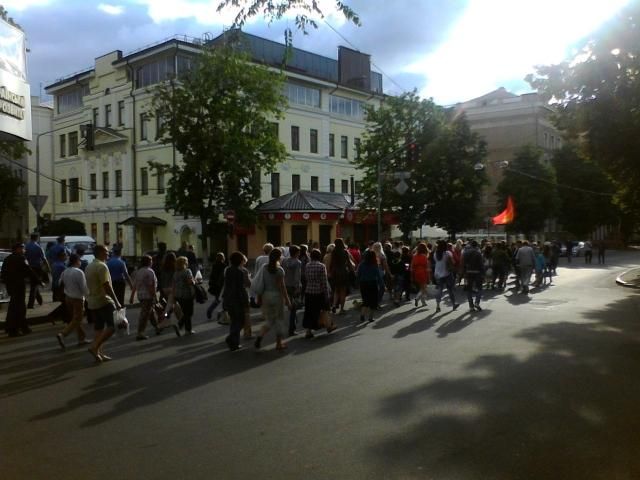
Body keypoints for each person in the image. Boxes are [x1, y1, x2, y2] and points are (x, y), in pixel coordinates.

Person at [86, 245, 123, 362]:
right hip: (104, 300)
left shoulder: (89, 266)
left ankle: (99, 354)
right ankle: (94, 347)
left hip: (92, 301)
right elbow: (106, 286)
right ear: (101, 253)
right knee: (112, 327)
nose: (108, 254)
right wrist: (117, 302)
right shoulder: (102, 266)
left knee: (99, 329)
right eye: (107, 252)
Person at [1, 243, 42, 337]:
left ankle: (21, 328)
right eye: (23, 249)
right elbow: (29, 270)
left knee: (14, 307)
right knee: (19, 308)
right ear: (18, 249)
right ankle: (14, 330)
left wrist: (8, 283)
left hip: (11, 287)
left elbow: (3, 274)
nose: (24, 251)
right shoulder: (21, 258)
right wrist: (39, 281)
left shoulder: (7, 259)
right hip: (19, 286)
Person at [254, 248, 291, 351]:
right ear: (279, 257)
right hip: (277, 296)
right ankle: (279, 343)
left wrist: (259, 297)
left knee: (270, 319)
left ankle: (260, 336)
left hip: (266, 296)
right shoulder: (279, 270)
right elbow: (282, 287)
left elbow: (261, 284)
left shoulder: (264, 268)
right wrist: (288, 301)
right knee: (279, 319)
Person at [55, 253, 90, 349]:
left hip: (68, 298)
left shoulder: (65, 271)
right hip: (77, 298)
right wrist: (88, 297)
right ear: (77, 261)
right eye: (79, 261)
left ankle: (81, 339)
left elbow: (59, 283)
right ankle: (62, 334)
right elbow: (84, 287)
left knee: (76, 319)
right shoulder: (79, 272)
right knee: (77, 319)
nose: (80, 263)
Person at [302, 248, 335, 338]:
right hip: (319, 291)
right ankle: (329, 326)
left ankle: (308, 331)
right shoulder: (321, 266)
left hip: (309, 291)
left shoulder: (307, 265)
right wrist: (327, 293)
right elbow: (324, 281)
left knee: (309, 311)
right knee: (325, 309)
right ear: (319, 256)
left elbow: (306, 277)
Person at [222, 252, 251, 351]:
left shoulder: (228, 270)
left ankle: (234, 343)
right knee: (241, 321)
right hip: (237, 299)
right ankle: (231, 339)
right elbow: (240, 288)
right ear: (240, 260)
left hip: (228, 298)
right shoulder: (240, 272)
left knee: (234, 321)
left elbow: (226, 286)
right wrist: (245, 301)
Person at [130, 255, 158, 340]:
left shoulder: (139, 272)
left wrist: (132, 296)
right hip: (147, 296)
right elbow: (150, 286)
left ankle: (157, 327)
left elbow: (135, 285)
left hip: (141, 295)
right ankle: (140, 332)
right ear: (149, 262)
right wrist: (154, 296)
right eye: (151, 260)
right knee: (145, 314)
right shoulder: (149, 272)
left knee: (150, 312)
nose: (152, 262)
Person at [356, 249, 384, 323]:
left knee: (365, 300)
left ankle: (362, 314)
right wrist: (382, 285)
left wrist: (358, 283)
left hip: (363, 284)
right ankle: (370, 317)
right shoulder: (374, 265)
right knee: (373, 301)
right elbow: (378, 276)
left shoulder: (361, 264)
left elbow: (358, 274)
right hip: (372, 283)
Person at [328, 238, 354, 315]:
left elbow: (331, 263)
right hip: (343, 272)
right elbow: (349, 263)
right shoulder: (345, 251)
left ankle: (333, 305)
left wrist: (330, 271)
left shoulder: (334, 252)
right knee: (343, 291)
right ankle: (341, 309)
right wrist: (353, 271)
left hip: (335, 272)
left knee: (336, 290)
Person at [433, 240, 459, 313]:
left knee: (439, 290)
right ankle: (454, 304)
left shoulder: (435, 254)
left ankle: (438, 306)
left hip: (438, 274)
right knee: (450, 290)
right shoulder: (447, 253)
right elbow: (453, 262)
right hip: (447, 274)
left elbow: (436, 262)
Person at [282, 244, 302, 336]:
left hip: (286, 285)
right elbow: (297, 277)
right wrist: (297, 287)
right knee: (294, 308)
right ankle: (292, 328)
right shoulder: (298, 262)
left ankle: (293, 323)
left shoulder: (284, 260)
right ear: (297, 253)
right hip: (293, 286)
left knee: (291, 306)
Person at [25, 233, 49, 308]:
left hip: (28, 267)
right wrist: (48, 267)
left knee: (34, 283)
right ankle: (30, 304)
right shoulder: (38, 247)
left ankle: (40, 300)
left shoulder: (26, 246)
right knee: (34, 285)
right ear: (37, 238)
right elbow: (44, 259)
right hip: (37, 268)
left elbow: (24, 256)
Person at [173, 256, 195, 334]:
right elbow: (190, 282)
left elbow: (174, 285)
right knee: (189, 312)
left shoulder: (176, 273)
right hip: (187, 294)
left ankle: (182, 326)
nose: (187, 263)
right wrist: (194, 281)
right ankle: (186, 329)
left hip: (178, 295)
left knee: (185, 312)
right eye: (186, 262)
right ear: (184, 263)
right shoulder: (187, 271)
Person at [462, 240, 484, 311]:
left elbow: (463, 264)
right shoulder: (478, 253)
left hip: (468, 272)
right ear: (477, 245)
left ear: (471, 245)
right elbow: (481, 264)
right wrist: (483, 273)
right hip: (477, 272)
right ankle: (477, 302)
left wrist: (464, 273)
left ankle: (471, 306)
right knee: (479, 288)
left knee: (469, 289)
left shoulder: (465, 253)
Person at [206, 252, 227, 321]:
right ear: (223, 258)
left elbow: (212, 275)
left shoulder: (214, 265)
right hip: (221, 285)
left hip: (215, 285)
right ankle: (216, 313)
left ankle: (213, 311)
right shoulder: (224, 266)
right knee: (221, 300)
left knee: (218, 299)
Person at [410, 242, 430, 308]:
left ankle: (423, 302)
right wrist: (429, 277)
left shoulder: (414, 256)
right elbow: (427, 267)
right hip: (423, 272)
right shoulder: (424, 257)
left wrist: (412, 275)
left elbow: (412, 267)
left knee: (422, 287)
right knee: (424, 288)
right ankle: (418, 298)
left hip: (416, 272)